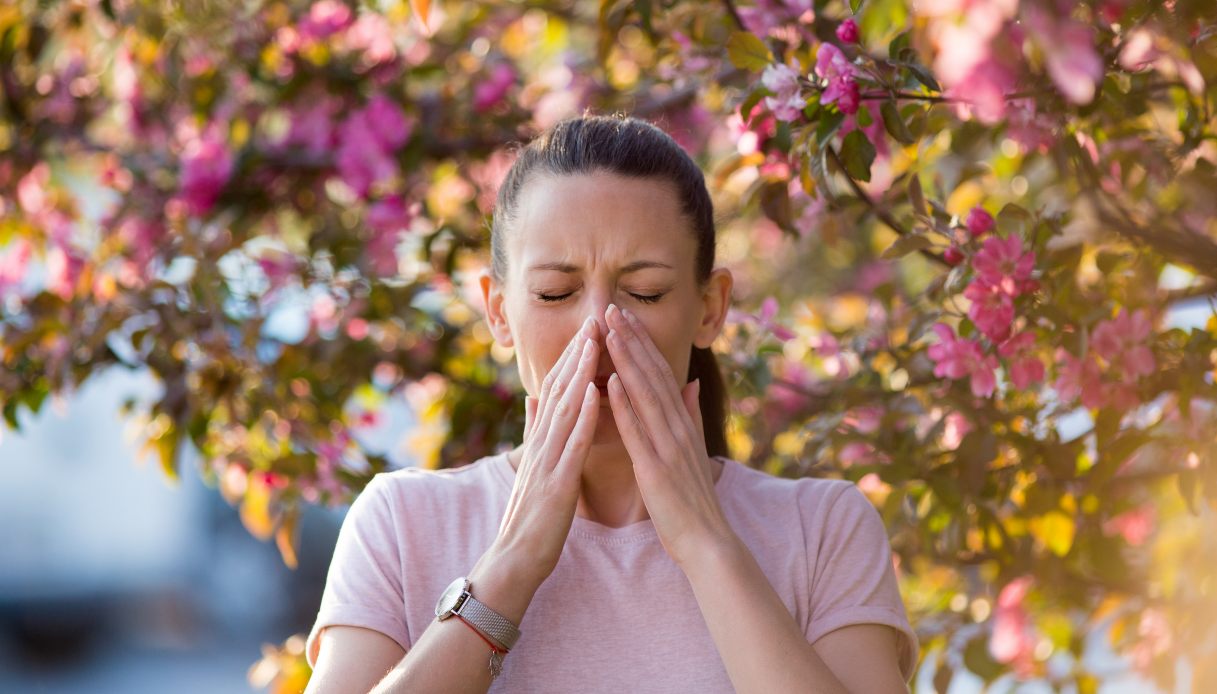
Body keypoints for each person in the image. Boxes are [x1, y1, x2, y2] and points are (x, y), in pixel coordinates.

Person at [303, 113, 918, 693]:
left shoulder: (822, 530)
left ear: (709, 308)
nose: (597, 325)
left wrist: (705, 543)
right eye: (554, 292)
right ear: (498, 311)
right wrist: (511, 566)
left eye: (645, 293)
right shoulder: (402, 523)